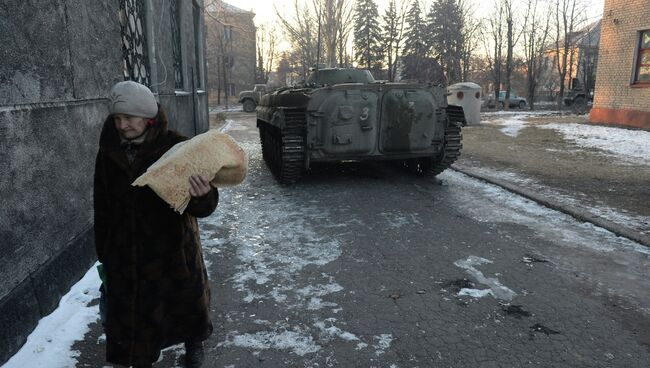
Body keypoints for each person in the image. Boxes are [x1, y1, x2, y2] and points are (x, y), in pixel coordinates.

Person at [94, 81, 218, 367]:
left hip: (172, 249)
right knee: (135, 321)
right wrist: (106, 251)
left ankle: (193, 344)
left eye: (129, 118)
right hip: (126, 251)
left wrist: (203, 196)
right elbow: (102, 205)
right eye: (117, 118)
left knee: (184, 308)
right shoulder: (109, 152)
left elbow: (206, 206)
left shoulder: (177, 147)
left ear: (148, 117)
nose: (122, 125)